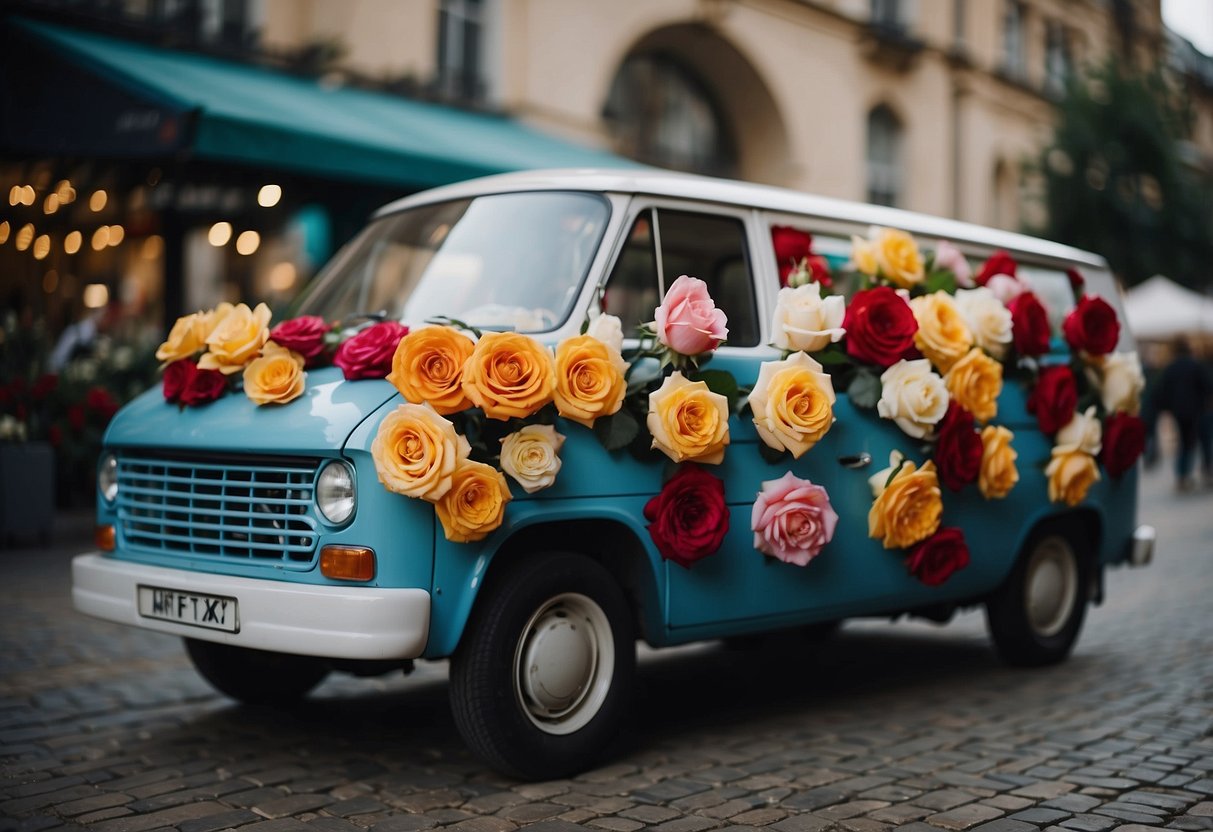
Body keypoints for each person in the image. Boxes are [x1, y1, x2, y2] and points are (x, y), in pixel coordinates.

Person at [1155, 338, 1213, 491]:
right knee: (1197, 441)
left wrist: (1168, 408)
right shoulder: (1196, 365)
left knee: (1183, 443)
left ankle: (1182, 476)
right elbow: (1207, 386)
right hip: (1196, 410)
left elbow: (1163, 391)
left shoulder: (1170, 368)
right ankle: (1202, 472)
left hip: (1178, 411)